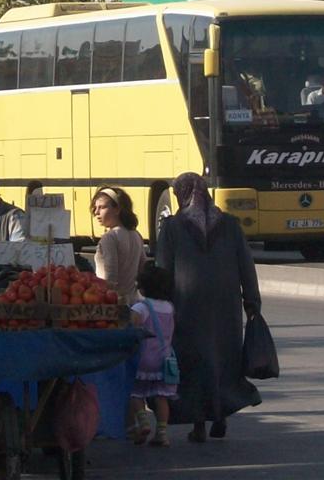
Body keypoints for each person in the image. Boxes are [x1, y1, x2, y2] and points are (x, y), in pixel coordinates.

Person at [155, 172, 262, 443]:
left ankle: (200, 424)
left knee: (194, 362)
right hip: (225, 306)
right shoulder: (230, 224)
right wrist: (252, 303)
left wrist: (160, 306)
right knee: (223, 359)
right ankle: (221, 416)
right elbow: (246, 267)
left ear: (181, 194)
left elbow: (163, 270)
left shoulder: (172, 227)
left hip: (187, 306)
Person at [128, 263, 178, 447]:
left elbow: (131, 326)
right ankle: (162, 433)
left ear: (143, 287)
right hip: (164, 359)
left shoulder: (141, 308)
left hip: (143, 358)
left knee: (135, 393)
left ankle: (143, 422)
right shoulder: (169, 307)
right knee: (161, 396)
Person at [92, 187, 146, 305]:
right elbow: (143, 268)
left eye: (102, 207)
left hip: (115, 304)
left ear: (117, 209)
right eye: (95, 208)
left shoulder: (110, 237)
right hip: (134, 301)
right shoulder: (136, 235)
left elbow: (110, 276)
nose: (96, 212)